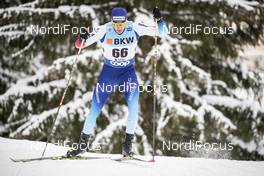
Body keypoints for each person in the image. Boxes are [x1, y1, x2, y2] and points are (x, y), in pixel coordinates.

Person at [67, 7, 168, 158]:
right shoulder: (104, 29)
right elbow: (79, 45)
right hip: (109, 73)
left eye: (122, 23)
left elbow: (162, 32)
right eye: (116, 23)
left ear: (125, 20)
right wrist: (82, 37)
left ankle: (127, 147)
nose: (119, 26)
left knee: (134, 108)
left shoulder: (133, 27)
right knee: (95, 108)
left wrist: (159, 21)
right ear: (112, 21)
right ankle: (82, 146)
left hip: (127, 73)